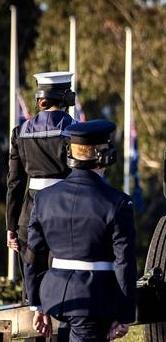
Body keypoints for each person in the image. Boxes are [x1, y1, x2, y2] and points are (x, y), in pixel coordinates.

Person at [24, 119, 136, 341]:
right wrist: (124, 314)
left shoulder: (45, 198)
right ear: (103, 156)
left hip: (54, 295)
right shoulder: (117, 203)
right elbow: (125, 262)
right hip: (94, 299)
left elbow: (33, 255)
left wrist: (37, 303)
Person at [7, 72, 75, 270]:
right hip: (67, 212)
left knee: (31, 286)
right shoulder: (77, 131)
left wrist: (11, 226)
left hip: (29, 215)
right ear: (66, 97)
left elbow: (15, 182)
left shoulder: (19, 133)